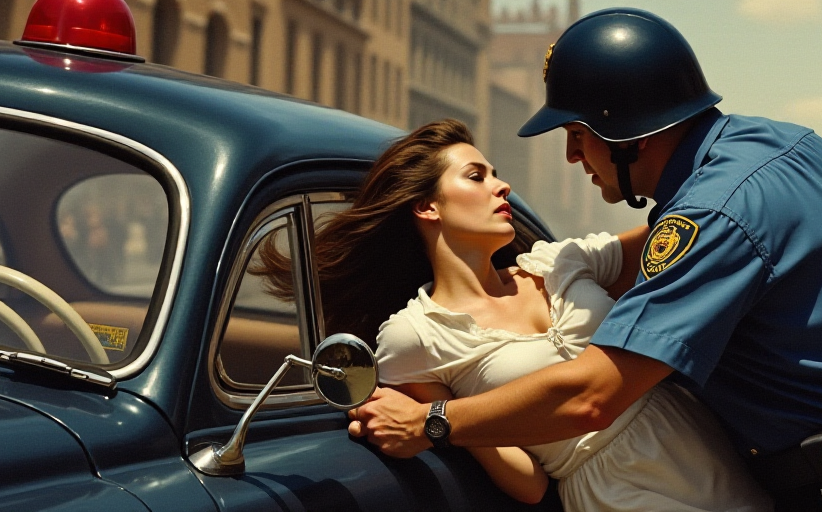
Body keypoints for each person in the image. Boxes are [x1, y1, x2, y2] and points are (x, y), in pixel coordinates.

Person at [348, 8, 822, 512]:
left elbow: (594, 396)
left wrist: (434, 419)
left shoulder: (713, 214)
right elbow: (643, 251)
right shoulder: (779, 147)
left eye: (579, 136)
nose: (574, 158)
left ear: (625, 133)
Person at [256, 119, 771, 510]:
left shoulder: (559, 261)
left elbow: (691, 231)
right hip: (619, 490)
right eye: (477, 176)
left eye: (497, 175)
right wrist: (441, 424)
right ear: (427, 208)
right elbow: (527, 482)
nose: (501, 186)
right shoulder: (413, 337)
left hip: (706, 452)